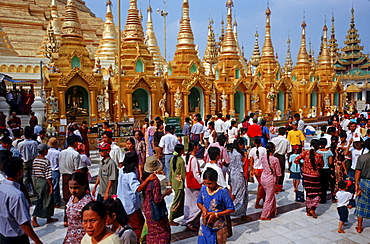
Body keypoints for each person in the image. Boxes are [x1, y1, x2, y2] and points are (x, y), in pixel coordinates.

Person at [0, 157, 43, 244]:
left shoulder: (1, 187)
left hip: (2, 234)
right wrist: (36, 240)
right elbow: (23, 223)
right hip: (16, 238)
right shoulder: (16, 195)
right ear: (20, 172)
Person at [197, 168, 235, 244]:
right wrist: (203, 208)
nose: (208, 185)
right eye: (205, 183)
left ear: (216, 181)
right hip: (205, 224)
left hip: (219, 226)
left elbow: (231, 209)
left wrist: (216, 214)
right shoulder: (203, 188)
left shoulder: (223, 192)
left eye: (210, 183)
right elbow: (199, 202)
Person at [141, 156, 172, 243]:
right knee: (162, 230)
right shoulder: (155, 181)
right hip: (155, 210)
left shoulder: (144, 179)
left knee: (151, 231)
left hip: (147, 208)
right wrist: (166, 193)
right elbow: (157, 199)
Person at [116, 152, 145, 243]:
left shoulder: (122, 170)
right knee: (139, 226)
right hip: (131, 205)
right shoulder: (130, 174)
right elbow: (137, 188)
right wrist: (148, 180)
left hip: (122, 202)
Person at [294, 139, 324, 218]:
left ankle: (308, 209)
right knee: (317, 193)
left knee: (309, 193)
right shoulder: (319, 156)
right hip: (315, 176)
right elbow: (322, 165)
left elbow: (296, 160)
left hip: (306, 176)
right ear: (318, 146)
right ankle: (313, 208)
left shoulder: (305, 153)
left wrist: (303, 165)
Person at [31, 143, 57, 227]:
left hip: (37, 181)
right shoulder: (45, 161)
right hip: (44, 181)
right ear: (45, 151)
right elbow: (48, 175)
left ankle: (48, 217)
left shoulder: (35, 160)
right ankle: (34, 217)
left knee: (43, 198)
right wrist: (51, 186)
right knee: (45, 199)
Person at [59, 135, 83, 226]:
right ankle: (73, 217)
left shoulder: (62, 152)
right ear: (75, 143)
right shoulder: (75, 154)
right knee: (75, 197)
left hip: (64, 176)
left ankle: (66, 218)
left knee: (66, 197)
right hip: (73, 176)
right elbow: (78, 169)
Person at [64, 172, 93, 244]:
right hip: (70, 236)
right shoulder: (72, 198)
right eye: (70, 188)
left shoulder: (87, 202)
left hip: (83, 238)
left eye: (76, 188)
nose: (73, 191)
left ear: (83, 185)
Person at [182, 141, 203, 230]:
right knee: (197, 204)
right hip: (194, 185)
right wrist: (202, 182)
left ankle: (189, 220)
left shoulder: (187, 157)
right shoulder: (193, 159)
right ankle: (190, 221)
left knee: (189, 203)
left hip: (187, 183)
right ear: (194, 147)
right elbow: (196, 174)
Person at [260, 142, 282, 220]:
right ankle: (264, 215)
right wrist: (278, 182)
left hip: (263, 178)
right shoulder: (275, 159)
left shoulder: (263, 157)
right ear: (273, 149)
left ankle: (273, 211)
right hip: (270, 179)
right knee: (269, 198)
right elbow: (278, 172)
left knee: (270, 195)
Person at [229, 138, 249, 220]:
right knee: (240, 194)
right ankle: (235, 211)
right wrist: (246, 158)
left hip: (233, 175)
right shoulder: (237, 154)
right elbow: (240, 165)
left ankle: (242, 213)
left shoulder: (231, 152)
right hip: (239, 175)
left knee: (236, 192)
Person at [354, 138, 370, 233]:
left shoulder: (362, 158)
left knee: (361, 203)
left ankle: (359, 227)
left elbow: (357, 172)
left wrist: (356, 184)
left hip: (364, 181)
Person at [168, 144, 185, 226]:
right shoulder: (181, 160)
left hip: (174, 182)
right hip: (179, 184)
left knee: (179, 199)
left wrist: (170, 181)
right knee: (176, 201)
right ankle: (171, 218)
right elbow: (183, 174)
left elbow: (170, 172)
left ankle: (177, 215)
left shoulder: (172, 159)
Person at [18, 129, 38, 193]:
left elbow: (19, 152)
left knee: (25, 177)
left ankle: (25, 190)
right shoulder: (34, 143)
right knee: (33, 176)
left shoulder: (21, 144)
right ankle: (35, 190)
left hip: (24, 161)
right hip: (33, 161)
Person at [249, 137, 266, 208]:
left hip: (256, 169)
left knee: (261, 185)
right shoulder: (264, 149)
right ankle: (258, 201)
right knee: (262, 186)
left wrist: (251, 170)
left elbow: (251, 161)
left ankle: (263, 200)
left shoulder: (252, 150)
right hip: (263, 169)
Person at [317, 138, 334, 203]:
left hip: (319, 169)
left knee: (319, 184)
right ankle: (323, 199)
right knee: (324, 185)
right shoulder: (329, 152)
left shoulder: (317, 152)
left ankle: (318, 197)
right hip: (326, 169)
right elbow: (330, 163)